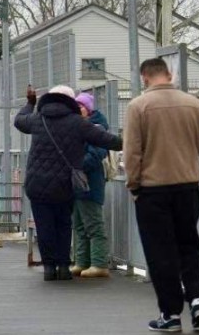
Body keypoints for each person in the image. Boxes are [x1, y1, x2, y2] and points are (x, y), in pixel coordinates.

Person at [125, 58, 199, 333]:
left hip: (152, 189)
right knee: (189, 243)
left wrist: (134, 185)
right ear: (169, 74)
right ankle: (198, 298)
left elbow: (132, 153)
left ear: (144, 77)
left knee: (160, 251)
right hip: (188, 185)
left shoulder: (137, 106)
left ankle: (171, 313)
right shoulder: (192, 103)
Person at [15, 85, 122, 282]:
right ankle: (64, 266)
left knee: (44, 225)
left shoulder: (38, 119)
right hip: (65, 184)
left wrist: (30, 104)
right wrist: (135, 140)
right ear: (70, 101)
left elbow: (19, 121)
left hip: (37, 184)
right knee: (64, 224)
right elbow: (107, 140)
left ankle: (49, 268)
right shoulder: (77, 122)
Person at [70, 92, 112, 278]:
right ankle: (82, 261)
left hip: (90, 183)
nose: (78, 109)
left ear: (89, 108)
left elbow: (97, 153)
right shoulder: (78, 127)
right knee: (79, 224)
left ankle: (99, 262)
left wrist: (75, 164)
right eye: (76, 106)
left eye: (81, 106)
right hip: (78, 183)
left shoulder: (97, 128)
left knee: (93, 224)